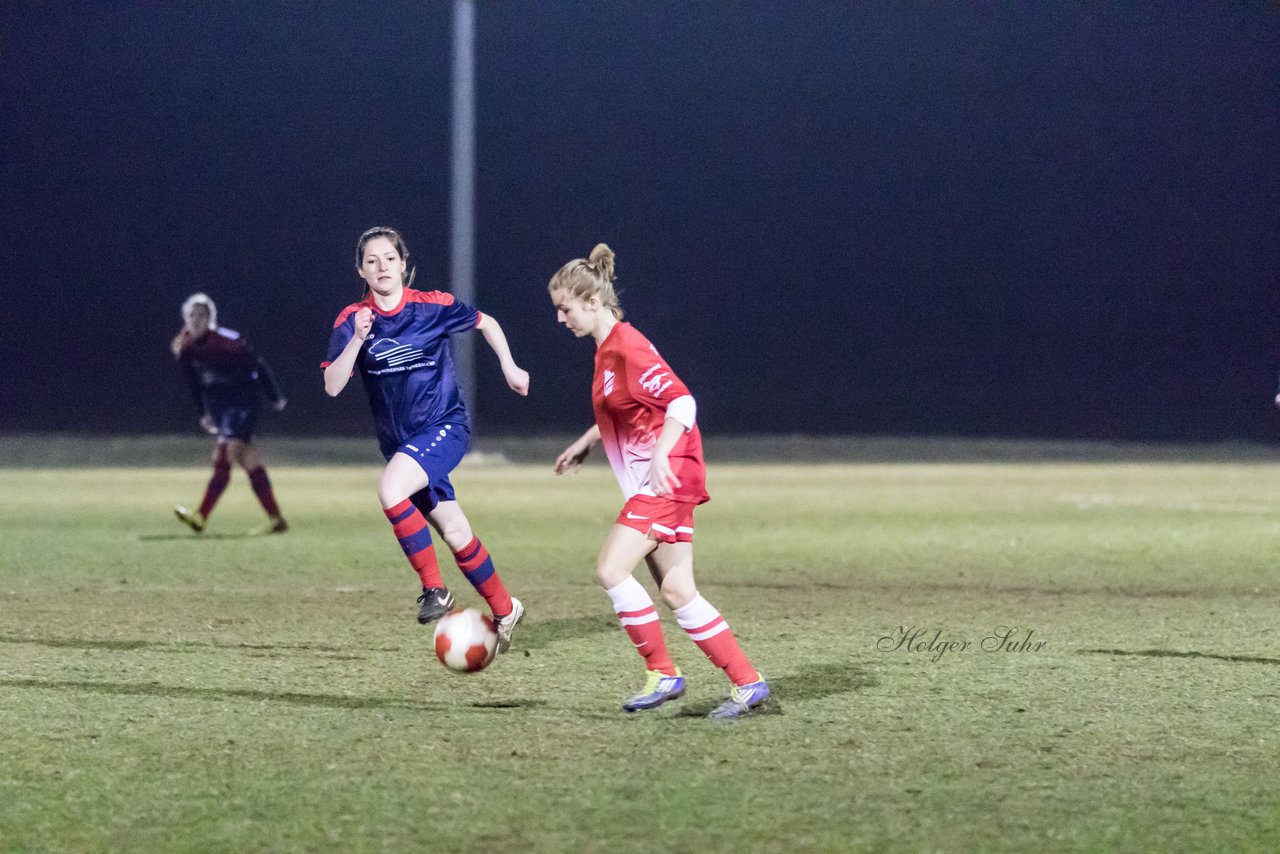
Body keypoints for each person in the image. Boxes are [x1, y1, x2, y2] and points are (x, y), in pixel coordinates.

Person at [548, 243, 769, 720]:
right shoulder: (606, 352)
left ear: (592, 301)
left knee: (610, 569)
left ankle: (663, 673)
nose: (560, 318)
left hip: (666, 480)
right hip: (662, 480)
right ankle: (748, 683)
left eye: (564, 308)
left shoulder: (627, 346)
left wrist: (662, 453)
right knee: (676, 590)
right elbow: (627, 408)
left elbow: (682, 403)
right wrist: (588, 440)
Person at [323, 226, 527, 651]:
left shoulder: (431, 306)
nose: (382, 267)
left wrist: (509, 366)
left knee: (391, 489)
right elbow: (332, 385)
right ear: (361, 269)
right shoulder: (350, 320)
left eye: (389, 258)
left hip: (445, 428)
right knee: (454, 531)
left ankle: (434, 589)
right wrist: (358, 340)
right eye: (372, 260)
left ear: (403, 264)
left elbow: (485, 322)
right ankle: (506, 610)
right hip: (400, 445)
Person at [172, 293, 288, 535]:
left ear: (210, 319)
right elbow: (194, 384)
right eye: (191, 316)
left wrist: (274, 395)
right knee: (248, 459)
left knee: (225, 454)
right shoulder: (187, 349)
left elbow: (258, 365)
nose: (196, 321)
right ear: (185, 318)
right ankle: (277, 520)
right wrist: (203, 412)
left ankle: (201, 516)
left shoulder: (228, 342)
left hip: (246, 402)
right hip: (224, 409)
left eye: (201, 316)